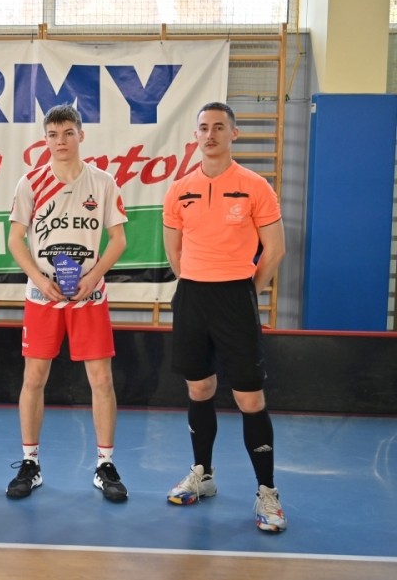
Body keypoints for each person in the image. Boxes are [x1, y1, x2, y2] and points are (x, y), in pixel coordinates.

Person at [162, 101, 288, 533]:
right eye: (203, 127)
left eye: (219, 127)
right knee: (199, 388)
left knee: (249, 398)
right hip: (193, 297)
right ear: (195, 135)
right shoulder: (179, 189)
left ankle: (267, 492)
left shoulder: (255, 186)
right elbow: (174, 250)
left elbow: (275, 250)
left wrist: (246, 292)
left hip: (236, 296)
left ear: (234, 134)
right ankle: (203, 474)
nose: (210, 134)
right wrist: (196, 282)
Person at [5, 104, 129, 502]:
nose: (60, 141)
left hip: (89, 297)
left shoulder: (103, 182)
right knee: (34, 378)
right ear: (45, 139)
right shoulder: (31, 182)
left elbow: (119, 240)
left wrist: (93, 276)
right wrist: (39, 278)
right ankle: (30, 463)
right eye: (53, 135)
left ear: (81, 135)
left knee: (102, 380)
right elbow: (15, 240)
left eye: (68, 133)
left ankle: (105, 464)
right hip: (43, 297)